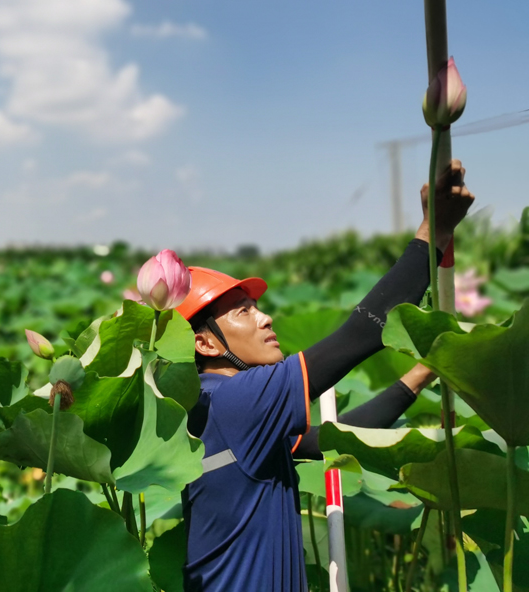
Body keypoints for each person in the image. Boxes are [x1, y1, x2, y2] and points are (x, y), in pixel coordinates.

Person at [176, 159, 475, 591]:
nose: (266, 318)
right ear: (205, 344)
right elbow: (365, 330)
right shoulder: (238, 400)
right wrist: (432, 234)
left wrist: (421, 374)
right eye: (244, 311)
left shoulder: (209, 406)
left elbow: (339, 436)